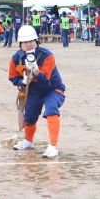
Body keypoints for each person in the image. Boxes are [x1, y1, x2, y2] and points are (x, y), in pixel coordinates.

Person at [9, 25, 66, 158]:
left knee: (51, 109)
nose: (28, 44)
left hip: (52, 89)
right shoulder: (15, 58)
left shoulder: (47, 56)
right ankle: (28, 141)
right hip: (33, 91)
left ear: (36, 41)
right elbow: (12, 77)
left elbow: (45, 80)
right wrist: (21, 82)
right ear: (20, 43)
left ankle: (53, 146)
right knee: (29, 117)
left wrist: (36, 71)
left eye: (31, 41)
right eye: (25, 42)